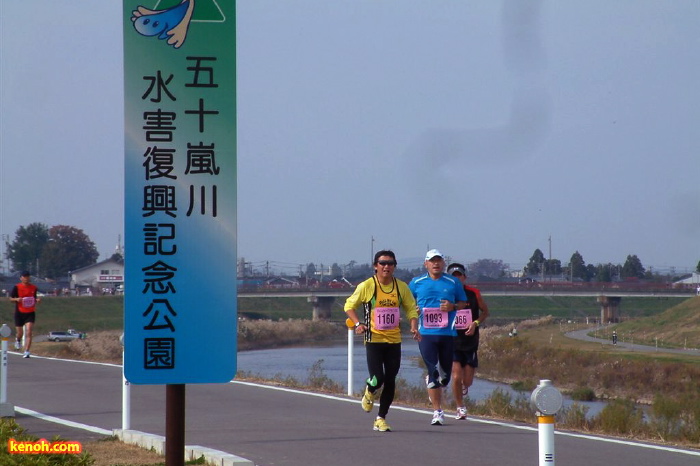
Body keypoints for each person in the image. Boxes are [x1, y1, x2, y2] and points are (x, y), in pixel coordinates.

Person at [344, 250, 421, 432]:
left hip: (394, 339)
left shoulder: (401, 287)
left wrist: (414, 326)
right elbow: (349, 305)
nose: (386, 266)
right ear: (375, 266)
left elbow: (411, 308)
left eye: (390, 263)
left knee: (391, 379)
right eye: (382, 263)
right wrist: (357, 324)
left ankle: (381, 418)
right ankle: (369, 391)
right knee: (378, 378)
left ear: (394, 266)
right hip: (374, 338)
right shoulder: (367, 286)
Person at [409, 249, 467, 426]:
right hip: (426, 334)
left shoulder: (453, 282)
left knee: (445, 376)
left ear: (443, 263)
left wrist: (452, 307)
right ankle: (437, 412)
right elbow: (406, 303)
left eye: (439, 261)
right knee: (433, 371)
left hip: (447, 333)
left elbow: (463, 303)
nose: (436, 264)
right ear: (425, 264)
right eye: (432, 261)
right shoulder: (416, 282)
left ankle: (435, 381)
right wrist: (414, 312)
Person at [447, 263, 490, 420]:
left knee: (468, 381)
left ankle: (462, 389)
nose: (457, 279)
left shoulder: (474, 293)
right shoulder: (445, 294)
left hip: (470, 341)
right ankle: (460, 407)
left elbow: (485, 312)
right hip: (453, 340)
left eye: (460, 275)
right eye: (454, 276)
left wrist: (475, 323)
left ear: (464, 277)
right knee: (456, 376)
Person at [10, 271, 41, 358]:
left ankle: (27, 351)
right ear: (21, 278)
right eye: (24, 276)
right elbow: (10, 299)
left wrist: (37, 300)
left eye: (27, 276)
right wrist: (16, 299)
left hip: (30, 312)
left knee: (29, 331)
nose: (26, 278)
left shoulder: (33, 288)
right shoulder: (17, 287)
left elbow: (34, 298)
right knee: (20, 333)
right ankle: (18, 340)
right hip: (19, 312)